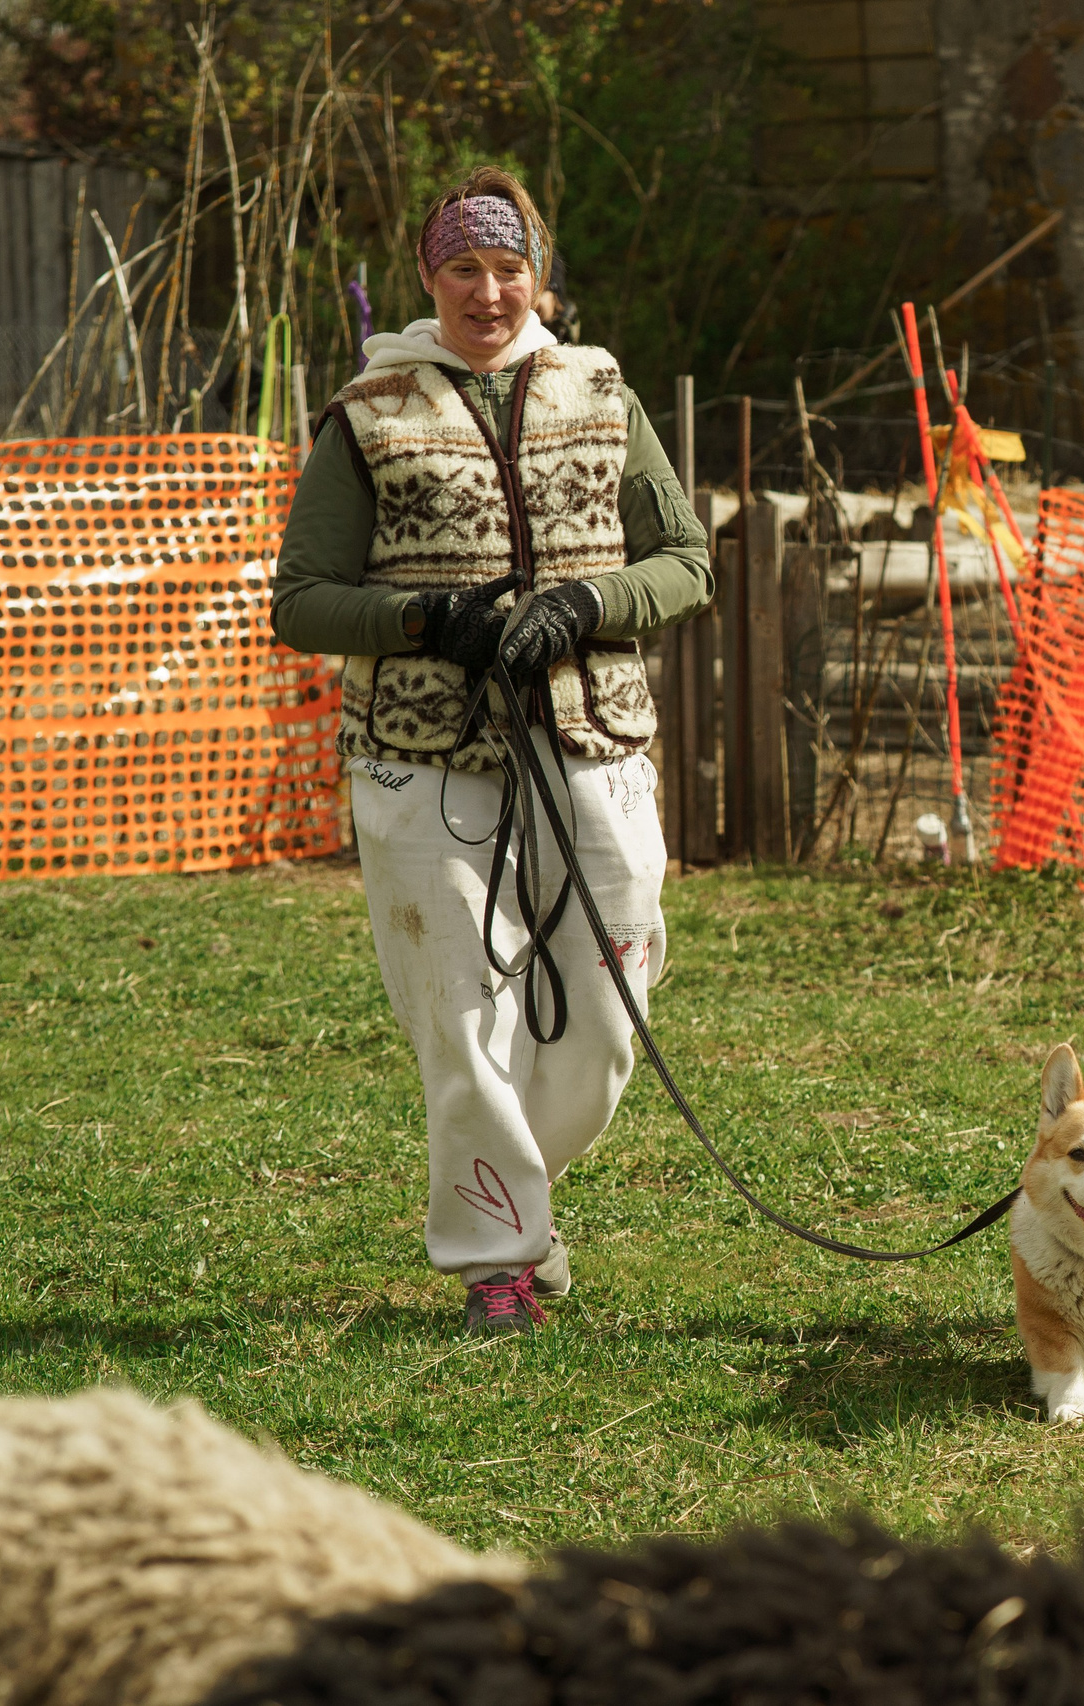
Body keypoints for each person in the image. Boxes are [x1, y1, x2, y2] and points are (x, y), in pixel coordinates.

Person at [272, 166, 711, 1335]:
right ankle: (497, 1261)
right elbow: (303, 599)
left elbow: (687, 564)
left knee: (613, 1005)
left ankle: (527, 1194)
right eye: (463, 267)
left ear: (542, 279)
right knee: (465, 1017)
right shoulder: (372, 411)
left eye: (508, 266)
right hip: (424, 761)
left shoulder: (603, 392)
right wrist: (429, 621)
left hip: (592, 740)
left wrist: (587, 602)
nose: (487, 289)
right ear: (428, 278)